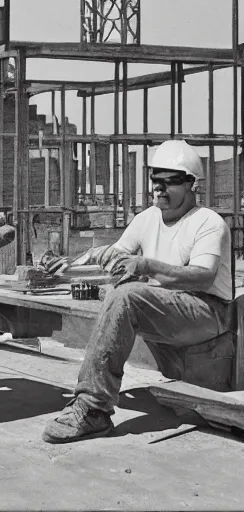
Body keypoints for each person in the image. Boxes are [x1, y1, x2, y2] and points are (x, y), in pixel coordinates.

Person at [43, 139, 233, 444]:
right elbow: (117, 260)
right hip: (169, 307)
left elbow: (202, 277)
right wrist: (72, 271)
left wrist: (145, 265)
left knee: (127, 295)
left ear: (191, 185)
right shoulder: (146, 219)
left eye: (170, 182)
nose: (160, 188)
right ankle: (91, 404)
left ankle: (93, 408)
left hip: (207, 311)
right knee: (119, 291)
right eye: (156, 180)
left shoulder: (208, 222)